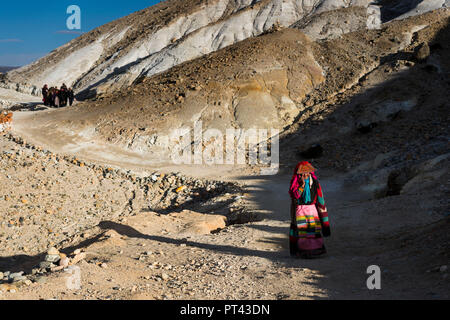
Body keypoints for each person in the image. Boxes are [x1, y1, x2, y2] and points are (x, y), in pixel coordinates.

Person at [289, 161, 330, 259]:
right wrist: (302, 186)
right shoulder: (295, 183)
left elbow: (320, 199)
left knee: (313, 231)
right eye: (302, 173)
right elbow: (295, 196)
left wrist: (325, 220)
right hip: (299, 210)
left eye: (307, 172)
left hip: (312, 210)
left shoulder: (315, 183)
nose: (305, 174)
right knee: (302, 232)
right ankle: (302, 252)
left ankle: (315, 251)